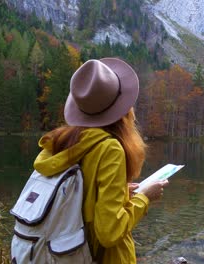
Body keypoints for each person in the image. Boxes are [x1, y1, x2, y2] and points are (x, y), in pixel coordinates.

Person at [33, 58, 169, 263]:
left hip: (63, 252)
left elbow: (81, 197)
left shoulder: (61, 144)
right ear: (123, 110)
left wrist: (122, 192)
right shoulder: (110, 148)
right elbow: (109, 233)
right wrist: (145, 198)